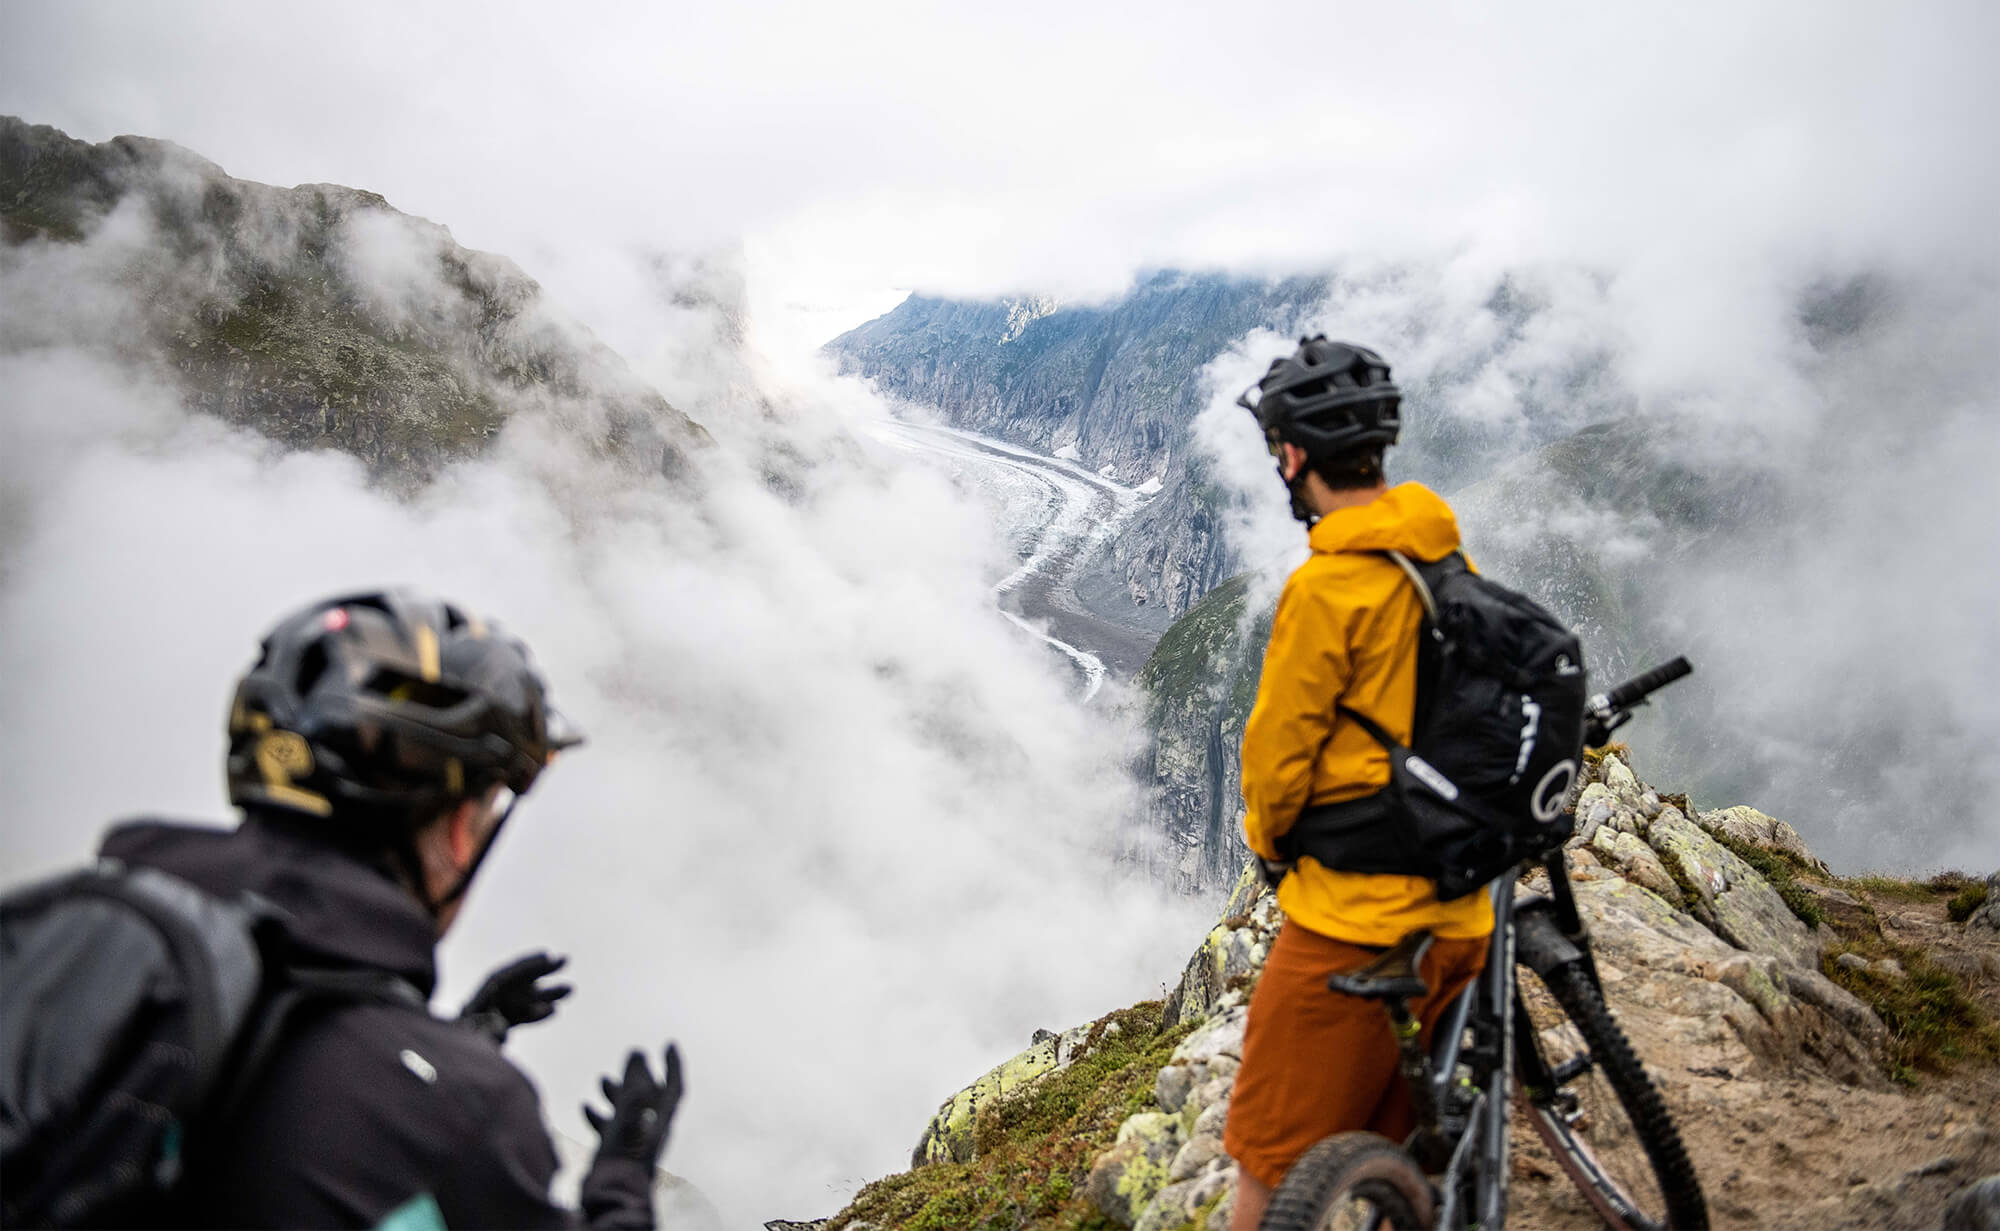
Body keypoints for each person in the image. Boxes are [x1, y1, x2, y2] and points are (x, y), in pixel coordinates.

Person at [93, 589, 682, 1229]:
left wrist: (467, 1033)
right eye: (487, 808)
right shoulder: (464, 1118)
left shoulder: (50, 937)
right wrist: (621, 1178)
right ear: (461, 827)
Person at [1222, 339, 1491, 1229]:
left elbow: (1276, 763)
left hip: (1354, 931)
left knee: (1265, 1163)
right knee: (1405, 1147)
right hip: (1461, 924)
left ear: (1293, 457)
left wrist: (1269, 847)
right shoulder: (1445, 562)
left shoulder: (1328, 590)